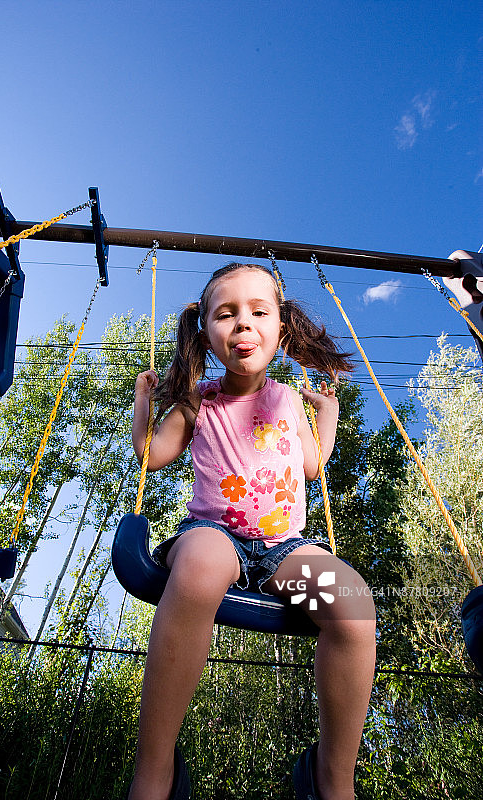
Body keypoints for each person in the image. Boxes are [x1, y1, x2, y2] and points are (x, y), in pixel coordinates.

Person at [128, 262, 376, 800]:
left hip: (287, 548)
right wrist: (147, 404)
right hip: (214, 533)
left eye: (258, 312)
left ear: (281, 328)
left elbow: (312, 465)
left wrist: (328, 414)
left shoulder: (289, 400)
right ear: (207, 333)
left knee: (354, 603)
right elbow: (152, 456)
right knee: (199, 569)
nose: (244, 325)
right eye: (227, 314)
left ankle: (332, 776)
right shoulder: (199, 399)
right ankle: (154, 771)